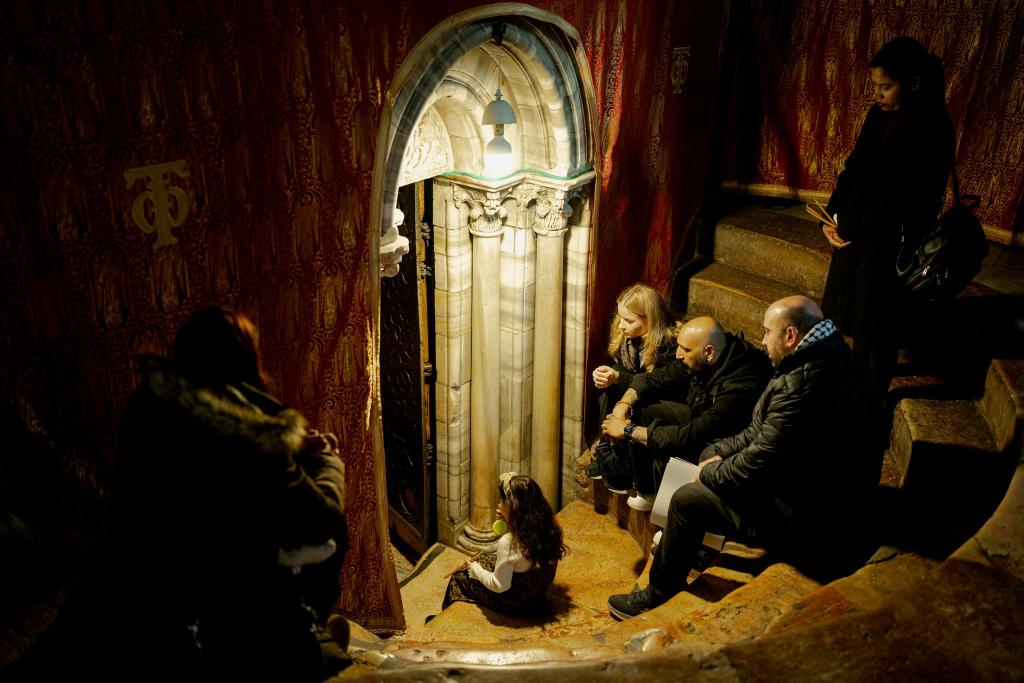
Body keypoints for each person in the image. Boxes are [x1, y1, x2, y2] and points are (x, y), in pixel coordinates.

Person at [108, 307, 349, 681]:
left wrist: (296, 447)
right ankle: (303, 633)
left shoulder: (150, 408)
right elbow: (322, 519)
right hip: (225, 605)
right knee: (331, 540)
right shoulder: (252, 436)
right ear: (246, 366)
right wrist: (329, 462)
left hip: (150, 589)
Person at [608, 296, 881, 619]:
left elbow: (759, 460)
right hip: (803, 482)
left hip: (808, 511)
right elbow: (760, 430)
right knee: (712, 451)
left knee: (687, 498)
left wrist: (708, 473)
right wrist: (720, 453)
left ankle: (657, 592)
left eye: (767, 332)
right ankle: (684, 543)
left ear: (790, 336)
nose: (762, 340)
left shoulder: (801, 383)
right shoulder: (823, 359)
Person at [820, 36, 955, 389]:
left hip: (890, 241)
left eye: (886, 87)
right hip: (857, 233)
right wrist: (833, 214)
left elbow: (907, 195)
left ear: (912, 83)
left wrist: (853, 225)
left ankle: (871, 399)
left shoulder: (933, 126)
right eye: (875, 87)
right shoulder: (877, 115)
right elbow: (854, 164)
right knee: (849, 317)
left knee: (876, 329)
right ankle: (848, 382)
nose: (878, 95)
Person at [600, 316, 771, 511]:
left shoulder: (741, 385)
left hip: (726, 442)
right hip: (700, 416)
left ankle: (671, 513)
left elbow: (694, 433)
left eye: (686, 350)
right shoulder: (703, 356)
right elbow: (652, 379)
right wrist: (621, 408)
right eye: (679, 347)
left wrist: (628, 430)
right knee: (641, 407)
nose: (679, 354)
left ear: (709, 352)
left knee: (681, 443)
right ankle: (648, 491)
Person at [586, 284, 677, 492]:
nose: (621, 326)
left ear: (649, 320)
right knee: (607, 393)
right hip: (638, 386)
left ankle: (624, 467)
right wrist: (608, 375)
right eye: (621, 318)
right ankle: (606, 450)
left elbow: (654, 383)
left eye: (629, 321)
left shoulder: (669, 345)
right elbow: (626, 368)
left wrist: (618, 378)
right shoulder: (628, 339)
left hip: (662, 398)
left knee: (632, 404)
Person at [442, 472, 567, 614]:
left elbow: (499, 585)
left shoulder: (508, 543)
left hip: (516, 601)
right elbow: (520, 554)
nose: (499, 505)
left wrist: (474, 569)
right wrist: (508, 520)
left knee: (459, 576)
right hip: (536, 592)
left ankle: (445, 616)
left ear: (513, 509)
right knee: (486, 558)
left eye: (502, 502)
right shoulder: (548, 526)